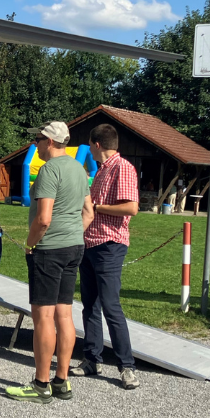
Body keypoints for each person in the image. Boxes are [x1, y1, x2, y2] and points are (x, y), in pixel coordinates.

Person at [5, 121, 93, 404]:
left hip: (49, 249)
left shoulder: (48, 170)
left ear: (51, 142)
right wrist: (73, 232)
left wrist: (31, 244)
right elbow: (89, 212)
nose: (36, 145)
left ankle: (41, 383)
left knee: (43, 316)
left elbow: (43, 218)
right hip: (74, 246)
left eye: (39, 140)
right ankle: (61, 380)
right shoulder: (79, 170)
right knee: (64, 314)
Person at [70, 123, 140, 389]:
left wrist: (97, 207)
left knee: (111, 305)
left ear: (96, 145)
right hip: (90, 243)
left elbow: (131, 207)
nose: (89, 149)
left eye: (89, 145)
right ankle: (92, 359)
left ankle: (127, 366)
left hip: (110, 244)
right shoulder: (100, 171)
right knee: (90, 305)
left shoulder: (122, 168)